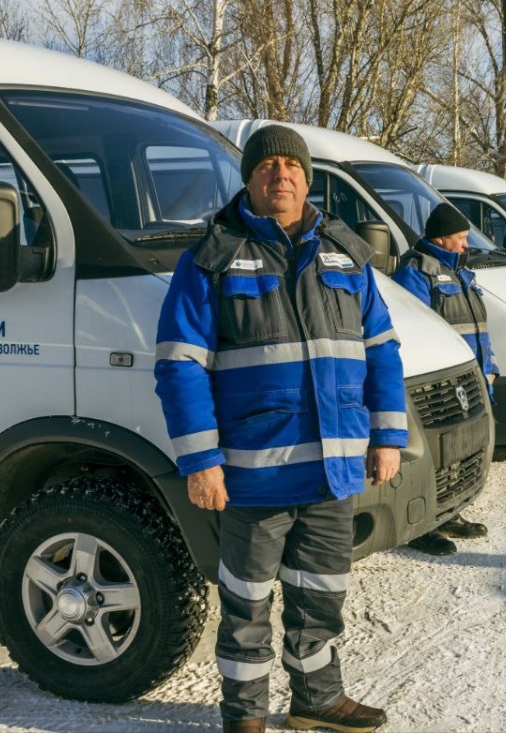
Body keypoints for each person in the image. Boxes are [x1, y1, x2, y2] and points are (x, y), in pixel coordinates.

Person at [154, 125, 406, 733]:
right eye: (268, 166)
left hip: (332, 472)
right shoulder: (212, 257)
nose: (281, 175)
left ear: (307, 176)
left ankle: (316, 700)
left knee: (321, 597)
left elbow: (383, 349)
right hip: (255, 474)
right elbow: (178, 364)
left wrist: (388, 436)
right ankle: (244, 719)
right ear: (249, 178)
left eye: (292, 165)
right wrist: (200, 461)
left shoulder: (345, 253)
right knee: (247, 604)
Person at [393, 203, 497, 556]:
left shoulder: (460, 272)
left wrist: (490, 365)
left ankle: (451, 512)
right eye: (460, 238)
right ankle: (424, 526)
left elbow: (479, 328)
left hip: (471, 377)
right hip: (437, 384)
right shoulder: (415, 271)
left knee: (461, 451)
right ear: (440, 238)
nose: (466, 245)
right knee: (437, 455)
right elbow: (413, 330)